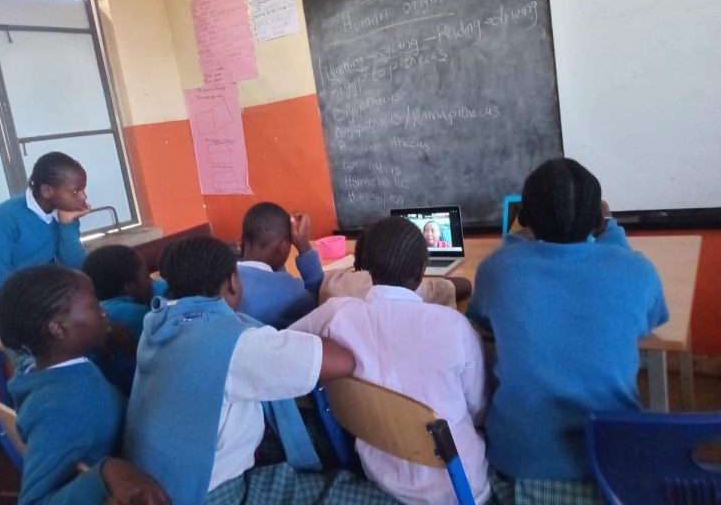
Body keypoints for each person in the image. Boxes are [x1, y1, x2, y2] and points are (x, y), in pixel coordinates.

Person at [123, 236, 397, 505]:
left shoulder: (157, 321)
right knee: (369, 497)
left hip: (158, 481)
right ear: (232, 282)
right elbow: (342, 361)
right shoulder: (234, 342)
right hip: (211, 493)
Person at [466, 158, 668, 505]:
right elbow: (648, 323)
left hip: (519, 465)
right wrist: (611, 231)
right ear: (597, 220)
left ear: (525, 219)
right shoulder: (638, 271)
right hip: (613, 461)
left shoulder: (497, 270)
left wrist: (517, 237)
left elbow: (483, 319)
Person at [291, 217, 491, 505]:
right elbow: (479, 410)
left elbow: (284, 345)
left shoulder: (336, 315)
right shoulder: (453, 326)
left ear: (367, 267)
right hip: (461, 490)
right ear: (422, 272)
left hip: (381, 479)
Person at [0, 265, 170, 505]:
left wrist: (110, 338)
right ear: (58, 328)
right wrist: (106, 472)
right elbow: (34, 500)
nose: (104, 311)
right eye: (94, 304)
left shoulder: (42, 371)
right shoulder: (64, 406)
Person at [0, 152, 91, 318]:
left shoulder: (62, 213)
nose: (84, 196)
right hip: (11, 307)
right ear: (47, 190)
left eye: (83, 188)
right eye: (76, 191)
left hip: (50, 295)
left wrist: (67, 224)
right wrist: (46, 298)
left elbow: (77, 267)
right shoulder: (1, 221)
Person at [82, 244, 167, 394]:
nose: (151, 281)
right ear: (130, 287)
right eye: (146, 275)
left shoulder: (95, 312)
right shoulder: (140, 316)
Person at [319, 229, 472, 308]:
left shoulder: (332, 283)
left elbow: (315, 280)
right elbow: (464, 285)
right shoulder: (414, 289)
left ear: (356, 265)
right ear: (418, 275)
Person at [236, 202, 323, 328]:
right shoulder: (291, 292)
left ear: (241, 240)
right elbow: (320, 301)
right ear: (283, 248)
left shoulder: (222, 276)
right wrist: (304, 247)